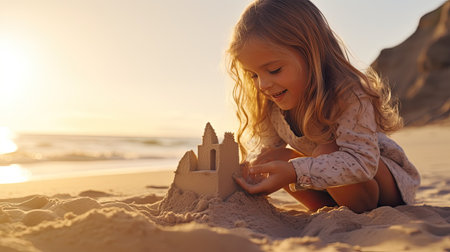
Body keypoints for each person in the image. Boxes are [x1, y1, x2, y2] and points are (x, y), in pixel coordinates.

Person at [227, 0, 420, 213]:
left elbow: (362, 162)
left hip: (383, 186)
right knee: (271, 158)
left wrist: (294, 171)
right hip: (332, 188)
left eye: (274, 70)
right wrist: (249, 173)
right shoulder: (272, 105)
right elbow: (265, 150)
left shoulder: (347, 94)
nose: (262, 85)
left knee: (326, 149)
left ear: (312, 54)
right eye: (253, 75)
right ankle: (329, 209)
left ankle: (353, 206)